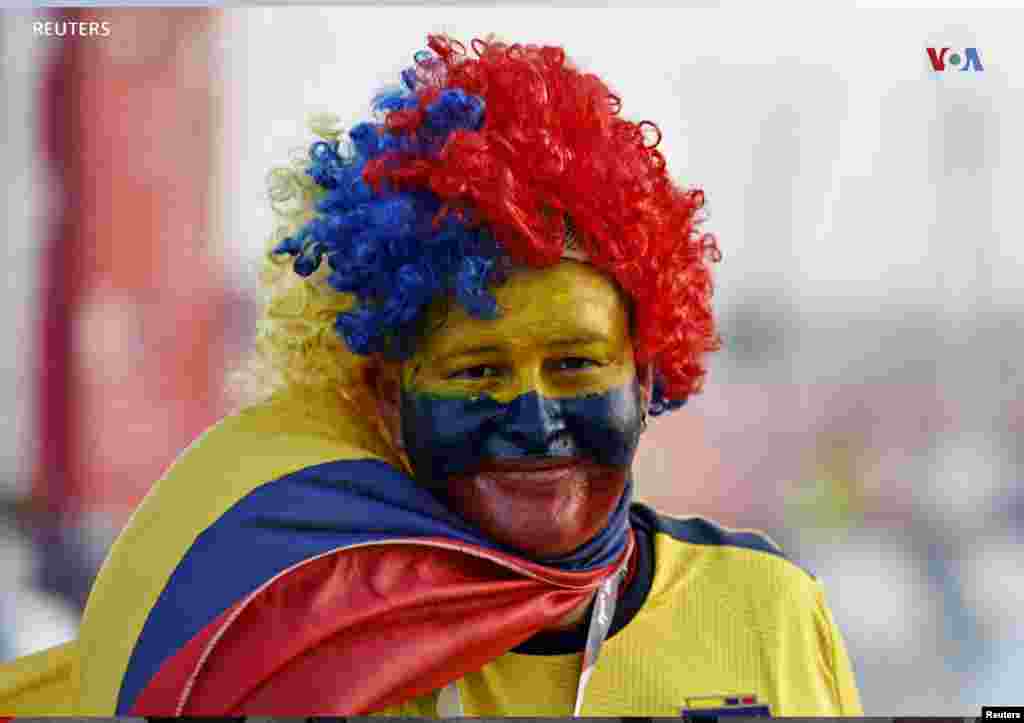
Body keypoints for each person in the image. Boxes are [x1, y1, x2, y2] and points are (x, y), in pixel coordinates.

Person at [0, 35, 863, 716]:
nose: (532, 416)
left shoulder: (769, 609)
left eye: (574, 363)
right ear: (388, 397)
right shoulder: (305, 645)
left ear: (646, 377)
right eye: (478, 369)